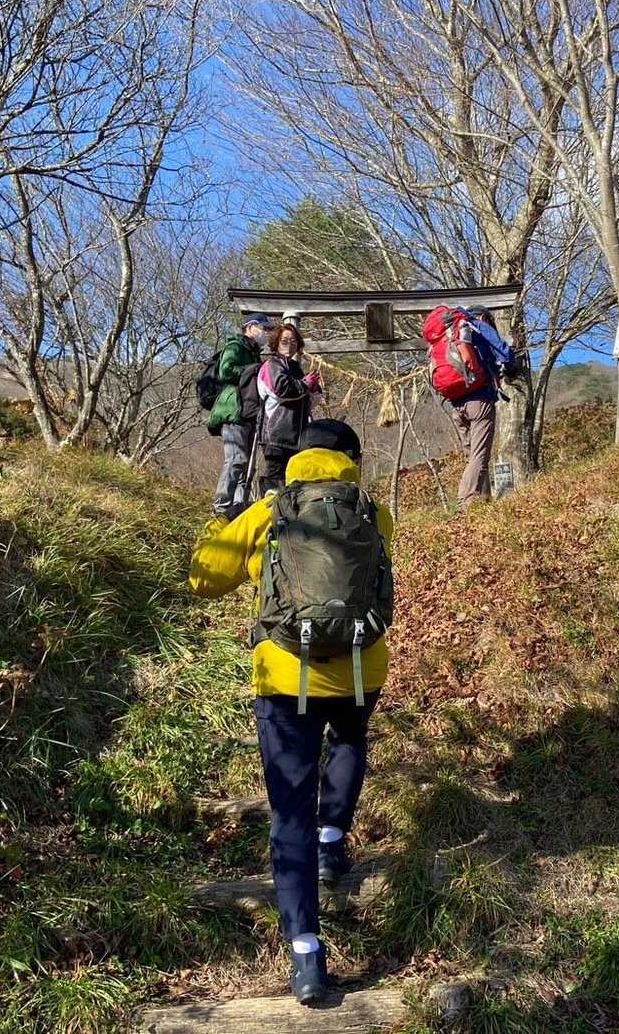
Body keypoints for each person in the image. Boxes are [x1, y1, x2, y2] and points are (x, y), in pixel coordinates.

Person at [189, 419, 393, 1006]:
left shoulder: (269, 511)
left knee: (288, 809)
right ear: (351, 459)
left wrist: (219, 524)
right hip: (359, 667)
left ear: (295, 458)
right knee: (349, 742)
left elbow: (203, 579)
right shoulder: (373, 512)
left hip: (284, 676)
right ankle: (332, 842)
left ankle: (305, 952)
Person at [446, 305, 515, 508]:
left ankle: (480, 502)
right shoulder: (477, 325)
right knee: (479, 456)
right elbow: (505, 353)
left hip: (456, 405)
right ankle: (466, 504)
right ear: (484, 317)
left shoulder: (451, 332)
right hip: (480, 401)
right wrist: (509, 366)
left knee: (472, 457)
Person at [207, 314, 271, 518]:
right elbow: (226, 372)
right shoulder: (236, 346)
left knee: (247, 462)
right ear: (250, 327)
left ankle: (238, 505)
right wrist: (253, 369)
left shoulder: (253, 352)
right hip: (233, 410)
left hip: (249, 412)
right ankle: (221, 506)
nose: (266, 333)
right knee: (237, 458)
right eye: (264, 328)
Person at [257, 322, 322, 496]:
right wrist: (305, 385)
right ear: (276, 342)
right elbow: (281, 390)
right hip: (276, 436)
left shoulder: (295, 369)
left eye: (293, 341)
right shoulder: (272, 365)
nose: (289, 344)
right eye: (284, 340)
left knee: (293, 486)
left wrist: (314, 389)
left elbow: (307, 402)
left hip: (297, 437)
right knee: (274, 487)